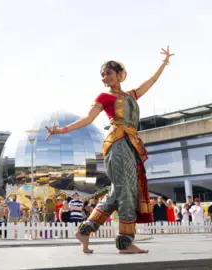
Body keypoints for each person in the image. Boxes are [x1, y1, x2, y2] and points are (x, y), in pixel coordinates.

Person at [45, 46, 174, 254]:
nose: (105, 77)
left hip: (131, 145)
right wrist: (61, 131)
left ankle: (85, 231)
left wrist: (164, 63)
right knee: (126, 191)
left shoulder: (131, 95)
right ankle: (125, 242)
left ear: (120, 75)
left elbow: (150, 83)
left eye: (108, 73)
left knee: (116, 192)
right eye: (103, 75)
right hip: (118, 144)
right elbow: (88, 119)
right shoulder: (104, 98)